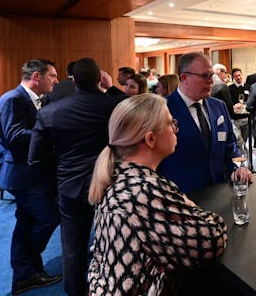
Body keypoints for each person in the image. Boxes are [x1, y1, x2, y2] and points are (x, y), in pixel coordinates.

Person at [87, 94, 227, 296]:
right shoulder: (144, 191)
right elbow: (212, 239)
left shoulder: (117, 176)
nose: (176, 129)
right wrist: (192, 207)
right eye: (171, 123)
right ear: (150, 139)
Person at [28, 58, 125, 296]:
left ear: (73, 81)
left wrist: (55, 183)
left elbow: (35, 159)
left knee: (73, 249)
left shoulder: (50, 112)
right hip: (111, 184)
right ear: (100, 79)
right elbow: (134, 106)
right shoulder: (115, 105)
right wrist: (112, 87)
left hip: (69, 187)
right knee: (116, 243)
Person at [0, 59, 61, 295]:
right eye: (52, 76)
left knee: (26, 222)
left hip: (26, 171)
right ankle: (26, 267)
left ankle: (26, 275)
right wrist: (51, 131)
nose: (56, 81)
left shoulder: (29, 99)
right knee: (49, 218)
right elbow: (15, 136)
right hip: (19, 173)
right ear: (36, 76)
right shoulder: (13, 99)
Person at [158, 52, 252, 194]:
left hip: (219, 191)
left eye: (211, 75)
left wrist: (238, 167)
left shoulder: (219, 106)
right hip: (180, 195)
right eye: (205, 76)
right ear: (184, 78)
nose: (211, 81)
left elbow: (230, 145)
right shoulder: (163, 109)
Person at [228, 67, 249, 152]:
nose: (238, 77)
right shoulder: (229, 88)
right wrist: (234, 106)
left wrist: (244, 104)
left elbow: (251, 100)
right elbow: (228, 103)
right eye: (236, 76)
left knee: (244, 139)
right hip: (235, 119)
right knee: (238, 141)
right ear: (233, 77)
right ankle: (242, 155)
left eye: (239, 75)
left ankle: (243, 155)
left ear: (242, 75)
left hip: (246, 119)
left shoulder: (248, 87)